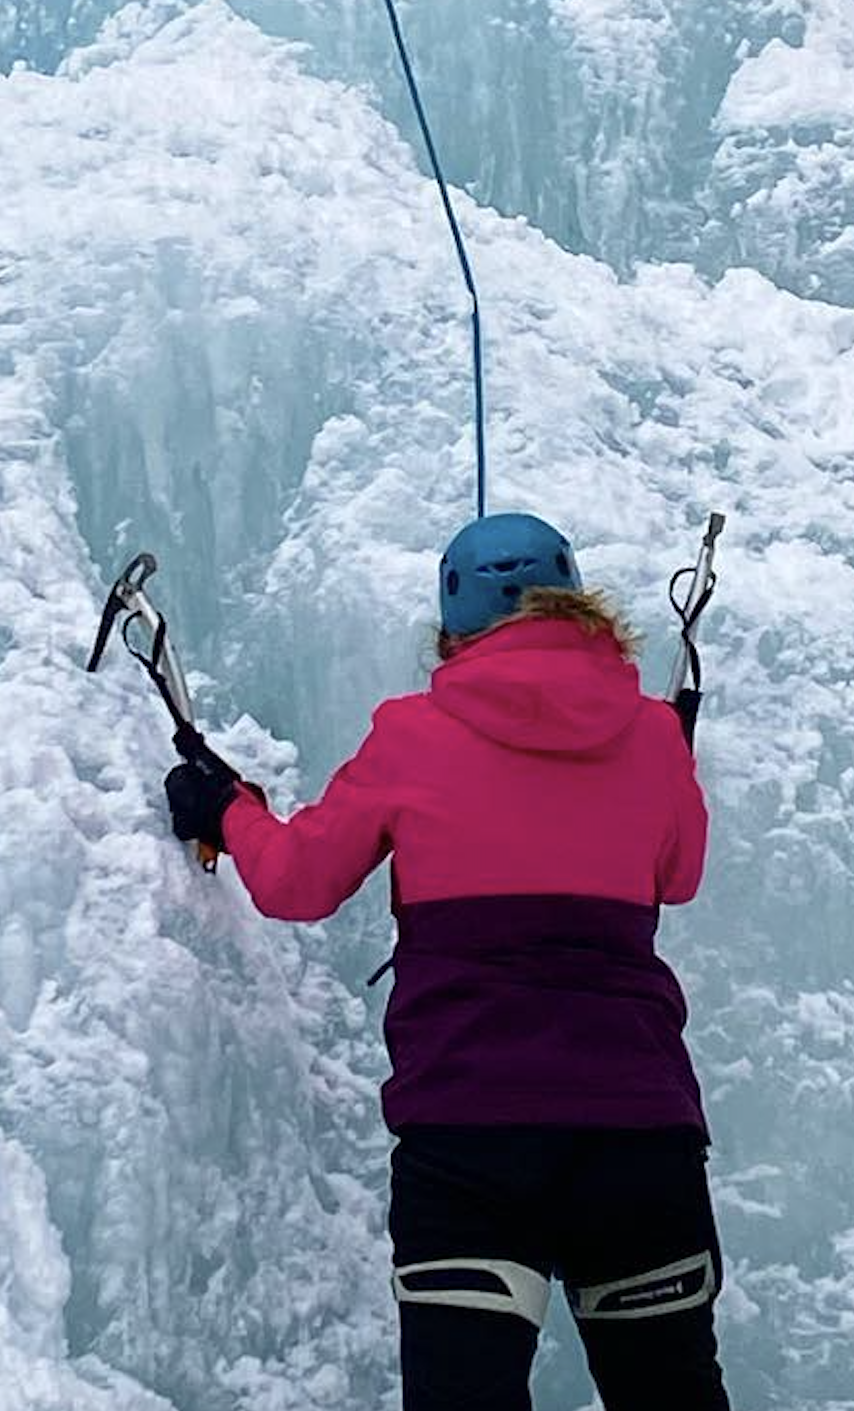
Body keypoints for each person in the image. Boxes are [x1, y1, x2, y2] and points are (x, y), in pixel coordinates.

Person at [163, 513, 732, 1411]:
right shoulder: (654, 735)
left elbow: (296, 884)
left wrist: (226, 806)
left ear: (453, 624)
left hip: (471, 1138)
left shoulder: (411, 733)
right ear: (576, 603)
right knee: (672, 1395)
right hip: (638, 1133)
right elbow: (681, 876)